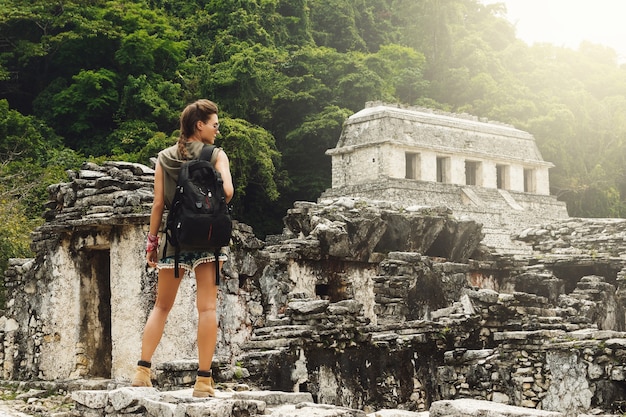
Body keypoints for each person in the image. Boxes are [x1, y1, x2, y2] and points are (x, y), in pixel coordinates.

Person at [131, 99, 234, 397]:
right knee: (207, 307)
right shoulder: (216, 154)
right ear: (199, 125)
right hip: (209, 238)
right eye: (214, 124)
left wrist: (152, 243)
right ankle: (203, 382)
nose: (217, 130)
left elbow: (159, 205)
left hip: (175, 239)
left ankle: (142, 371)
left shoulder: (164, 157)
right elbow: (227, 191)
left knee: (161, 306)